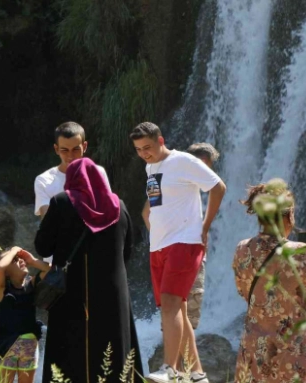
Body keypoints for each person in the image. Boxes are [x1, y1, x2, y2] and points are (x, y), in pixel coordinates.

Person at [130, 123, 226, 383]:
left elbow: (218, 187)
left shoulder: (183, 160)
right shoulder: (150, 167)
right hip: (159, 246)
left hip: (184, 243)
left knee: (171, 304)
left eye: (147, 147)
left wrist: (204, 226)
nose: (144, 153)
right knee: (178, 310)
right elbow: (154, 206)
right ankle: (197, 373)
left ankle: (169, 368)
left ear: (161, 140)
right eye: (139, 150)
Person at [35, 158, 143, 383]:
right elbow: (127, 251)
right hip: (113, 295)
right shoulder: (119, 206)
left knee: (72, 351)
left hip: (73, 294)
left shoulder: (62, 202)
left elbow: (42, 246)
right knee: (112, 351)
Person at [232, 183, 306, 383]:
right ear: (288, 216)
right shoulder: (300, 252)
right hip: (294, 355)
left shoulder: (243, 249)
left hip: (255, 352)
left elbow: (244, 291)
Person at [140, 143, 220, 331]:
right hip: (186, 255)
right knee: (186, 318)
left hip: (169, 255)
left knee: (171, 314)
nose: (204, 172)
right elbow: (146, 213)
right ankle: (179, 360)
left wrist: (162, 239)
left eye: (207, 168)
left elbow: (146, 213)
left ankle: (174, 359)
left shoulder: (161, 178)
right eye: (202, 166)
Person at [0, 247, 50, 383]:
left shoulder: (31, 285)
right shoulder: (3, 289)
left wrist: (32, 261)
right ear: (7, 273)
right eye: (15, 260)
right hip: (7, 346)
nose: (21, 260)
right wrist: (13, 251)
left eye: (20, 258)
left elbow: (50, 270)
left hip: (30, 345)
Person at [34, 121, 109, 219]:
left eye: (76, 149)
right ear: (56, 149)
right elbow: (48, 222)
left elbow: (107, 211)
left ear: (84, 147)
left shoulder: (98, 173)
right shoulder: (43, 181)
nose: (71, 156)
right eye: (64, 150)